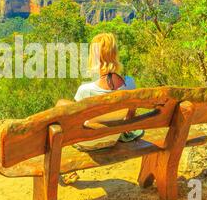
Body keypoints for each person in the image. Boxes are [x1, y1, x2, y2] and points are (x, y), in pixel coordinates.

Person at [56, 33, 144, 185]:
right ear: (115, 54)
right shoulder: (130, 83)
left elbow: (75, 125)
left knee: (61, 105)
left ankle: (65, 170)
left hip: (88, 143)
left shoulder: (86, 90)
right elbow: (129, 118)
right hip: (113, 138)